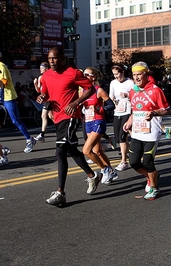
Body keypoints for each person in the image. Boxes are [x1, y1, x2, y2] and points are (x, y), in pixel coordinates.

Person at [36, 46, 101, 205]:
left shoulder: (73, 73)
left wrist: (76, 102)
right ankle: (92, 176)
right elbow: (47, 94)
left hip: (70, 116)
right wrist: (43, 98)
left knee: (60, 151)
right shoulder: (46, 76)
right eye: (50, 58)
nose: (52, 61)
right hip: (57, 118)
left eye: (55, 58)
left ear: (63, 58)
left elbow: (90, 88)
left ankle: (60, 193)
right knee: (70, 149)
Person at [123, 61, 171, 200]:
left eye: (139, 74)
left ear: (146, 74)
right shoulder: (133, 91)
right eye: (134, 75)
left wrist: (154, 113)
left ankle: (155, 188)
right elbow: (135, 110)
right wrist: (129, 121)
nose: (136, 78)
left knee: (148, 162)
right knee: (133, 162)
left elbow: (167, 110)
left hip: (151, 133)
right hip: (138, 132)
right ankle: (152, 176)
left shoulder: (155, 90)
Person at [0, 49, 37, 153]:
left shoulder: (1, 66)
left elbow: (3, 82)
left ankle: (29, 139)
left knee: (15, 120)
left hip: (8, 96)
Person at [81, 67, 118, 184]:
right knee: (97, 151)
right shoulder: (82, 91)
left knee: (86, 150)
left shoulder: (99, 90)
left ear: (94, 77)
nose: (85, 76)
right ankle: (111, 172)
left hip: (98, 121)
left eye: (87, 75)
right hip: (88, 122)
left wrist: (100, 108)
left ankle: (105, 169)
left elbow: (111, 105)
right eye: (84, 74)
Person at [109, 64, 134, 171]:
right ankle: (133, 151)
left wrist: (127, 95)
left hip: (127, 110)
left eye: (117, 74)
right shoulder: (113, 83)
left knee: (122, 136)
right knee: (118, 138)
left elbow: (136, 96)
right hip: (117, 111)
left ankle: (124, 161)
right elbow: (110, 96)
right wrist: (113, 99)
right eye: (114, 74)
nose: (116, 77)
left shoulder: (130, 82)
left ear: (122, 72)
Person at [34, 62, 54, 142]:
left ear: (46, 68)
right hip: (44, 99)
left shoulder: (50, 76)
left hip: (49, 99)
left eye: (41, 68)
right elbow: (39, 91)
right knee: (51, 116)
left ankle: (42, 134)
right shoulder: (40, 78)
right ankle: (61, 128)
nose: (40, 69)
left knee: (43, 116)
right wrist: (35, 84)